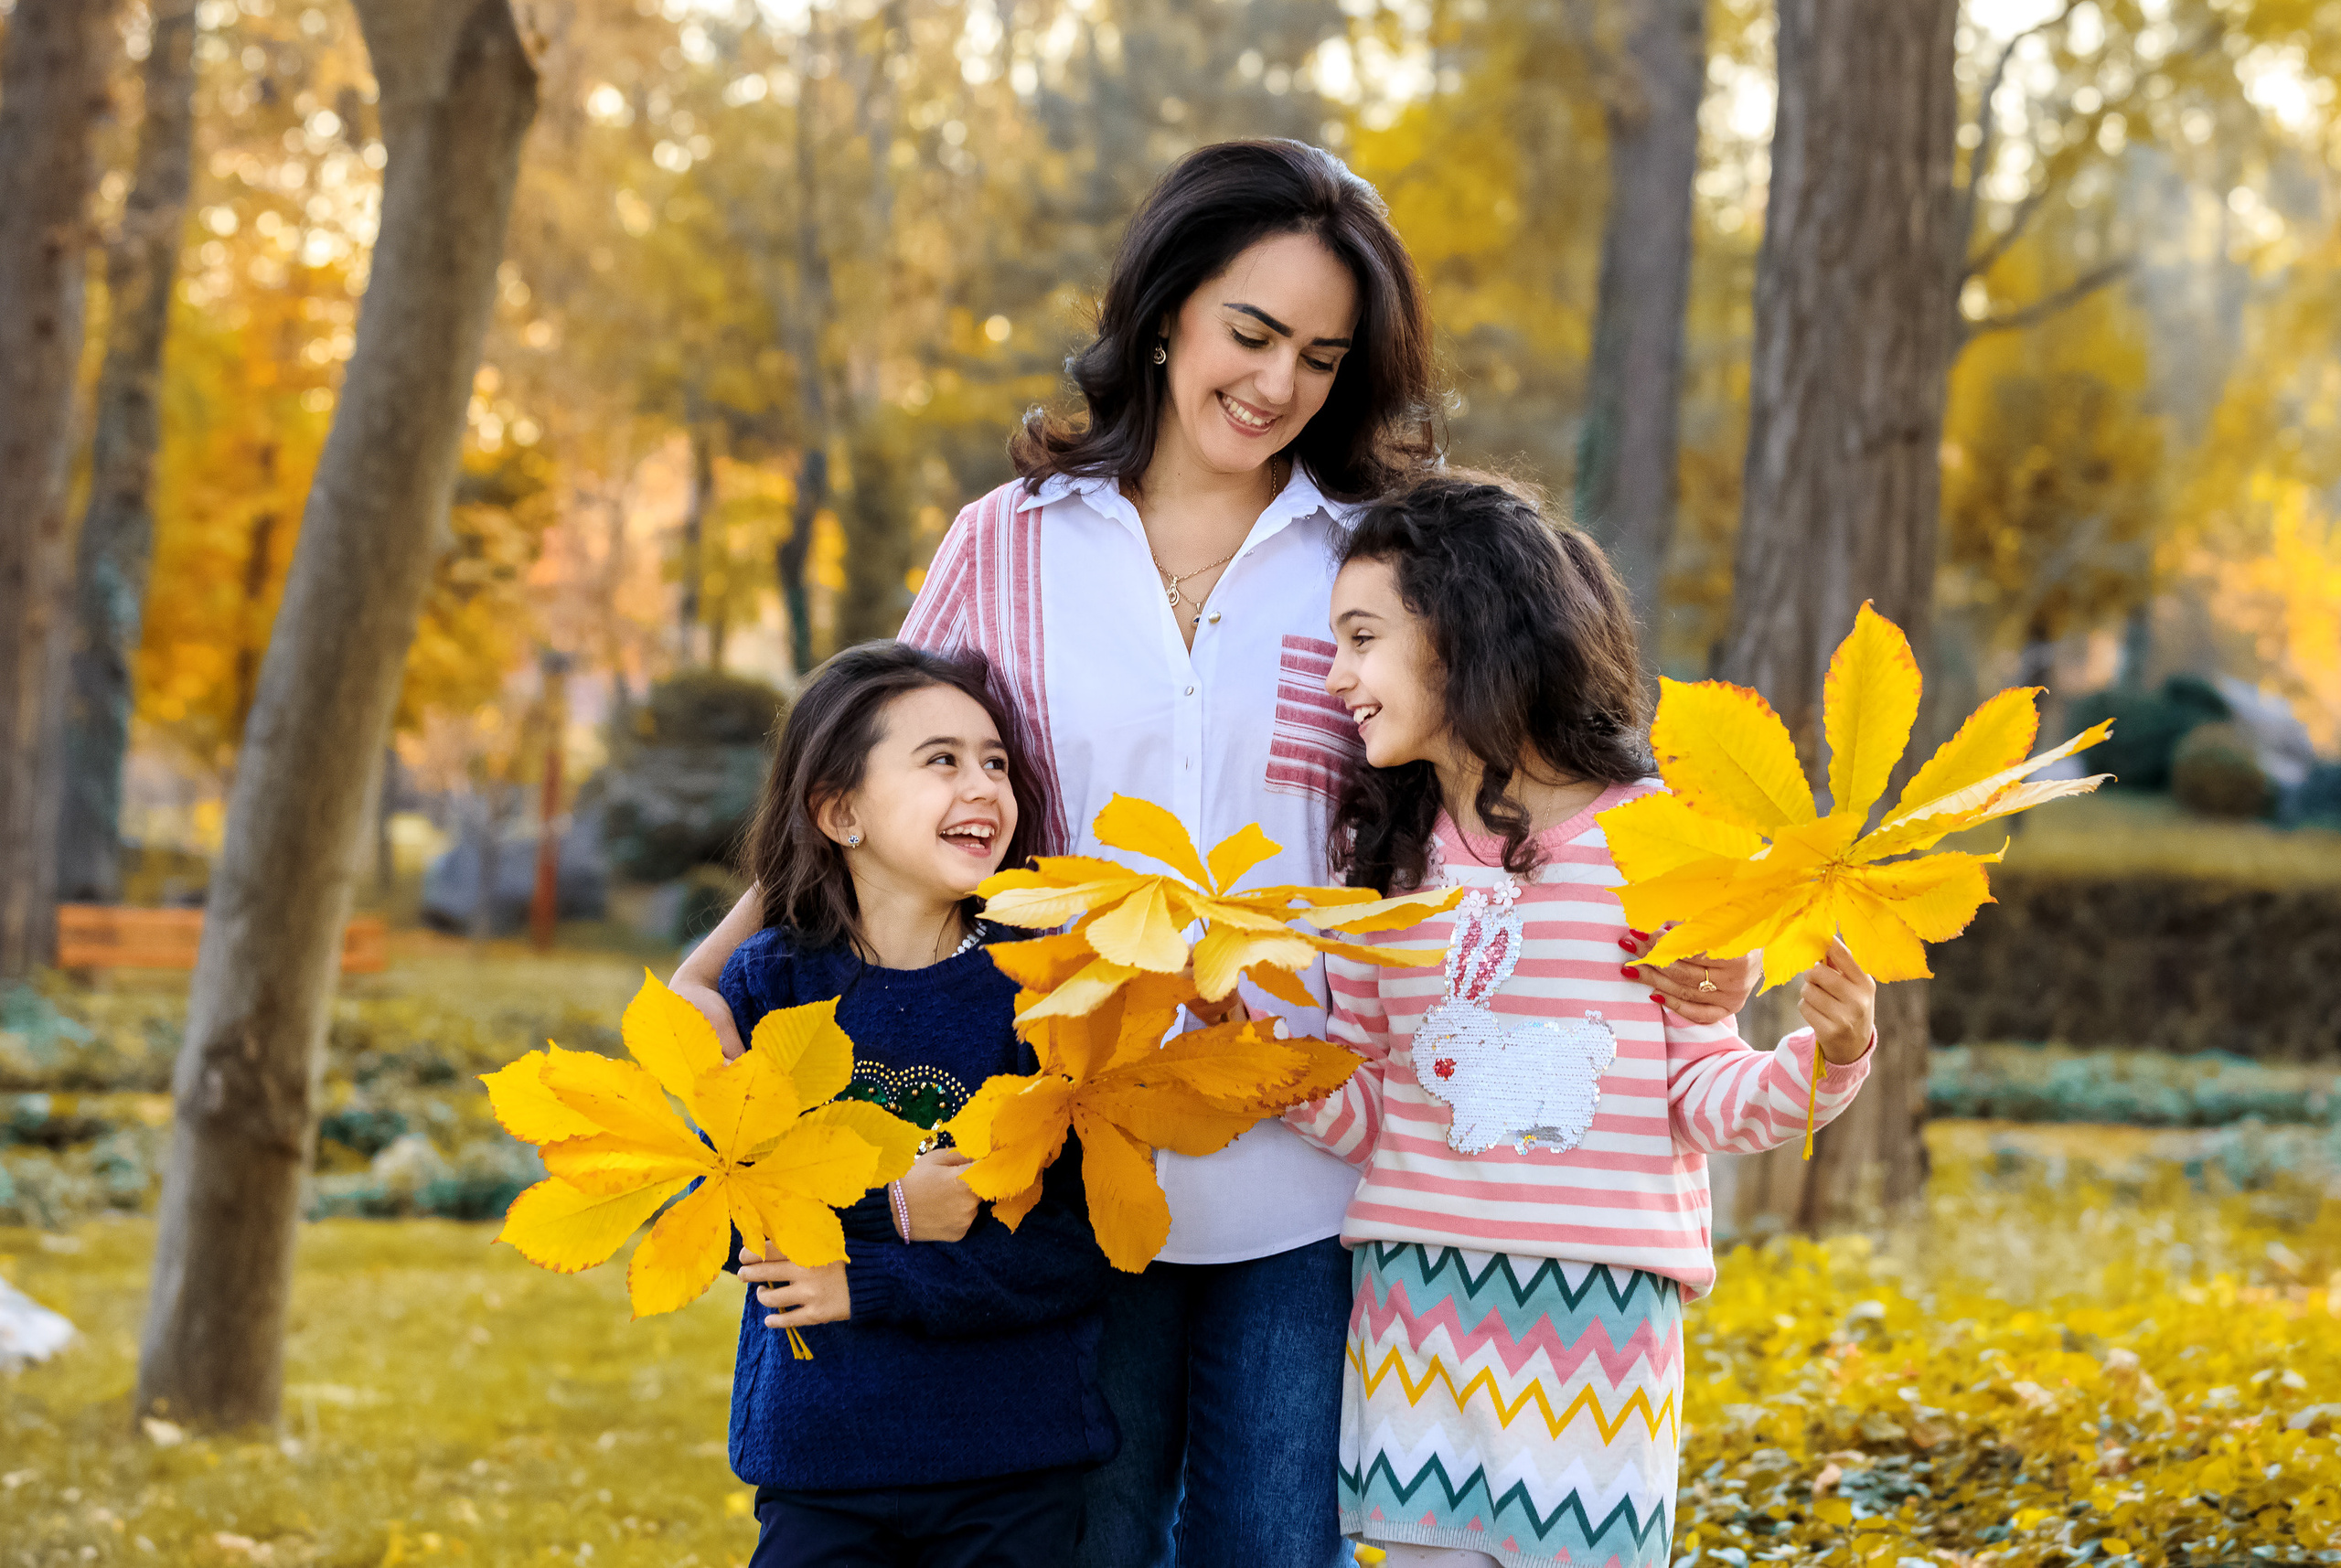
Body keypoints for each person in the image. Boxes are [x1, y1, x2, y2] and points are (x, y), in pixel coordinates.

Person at [676, 140, 1759, 1568]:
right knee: (1092, 1536)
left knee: (1270, 1542)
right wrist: (712, 970)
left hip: (1312, 1155)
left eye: (1320, 354)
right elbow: (875, 759)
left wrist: (1697, 925)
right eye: (1251, 332)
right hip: (1064, 1140)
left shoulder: (1376, 557)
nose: (1276, 383)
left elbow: (1535, 745)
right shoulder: (1006, 544)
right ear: (1168, 307)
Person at [1284, 474, 1878, 1568]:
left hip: (1601, 1324)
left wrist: (1828, 1054)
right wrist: (1255, 1060)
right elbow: (1377, 1110)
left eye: (1362, 638)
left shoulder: (1662, 842)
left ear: (1460, 633)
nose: (1338, 675)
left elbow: (1702, 1094)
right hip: (1421, 1313)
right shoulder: (1374, 863)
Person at [712, 641, 1116, 1568]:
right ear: (839, 809)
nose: (982, 784)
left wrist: (869, 1277)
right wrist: (895, 1208)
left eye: (995, 762)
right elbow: (726, 1207)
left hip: (1007, 1460)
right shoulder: (772, 982)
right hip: (822, 1458)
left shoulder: (1039, 988)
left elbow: (1075, 1248)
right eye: (941, 759)